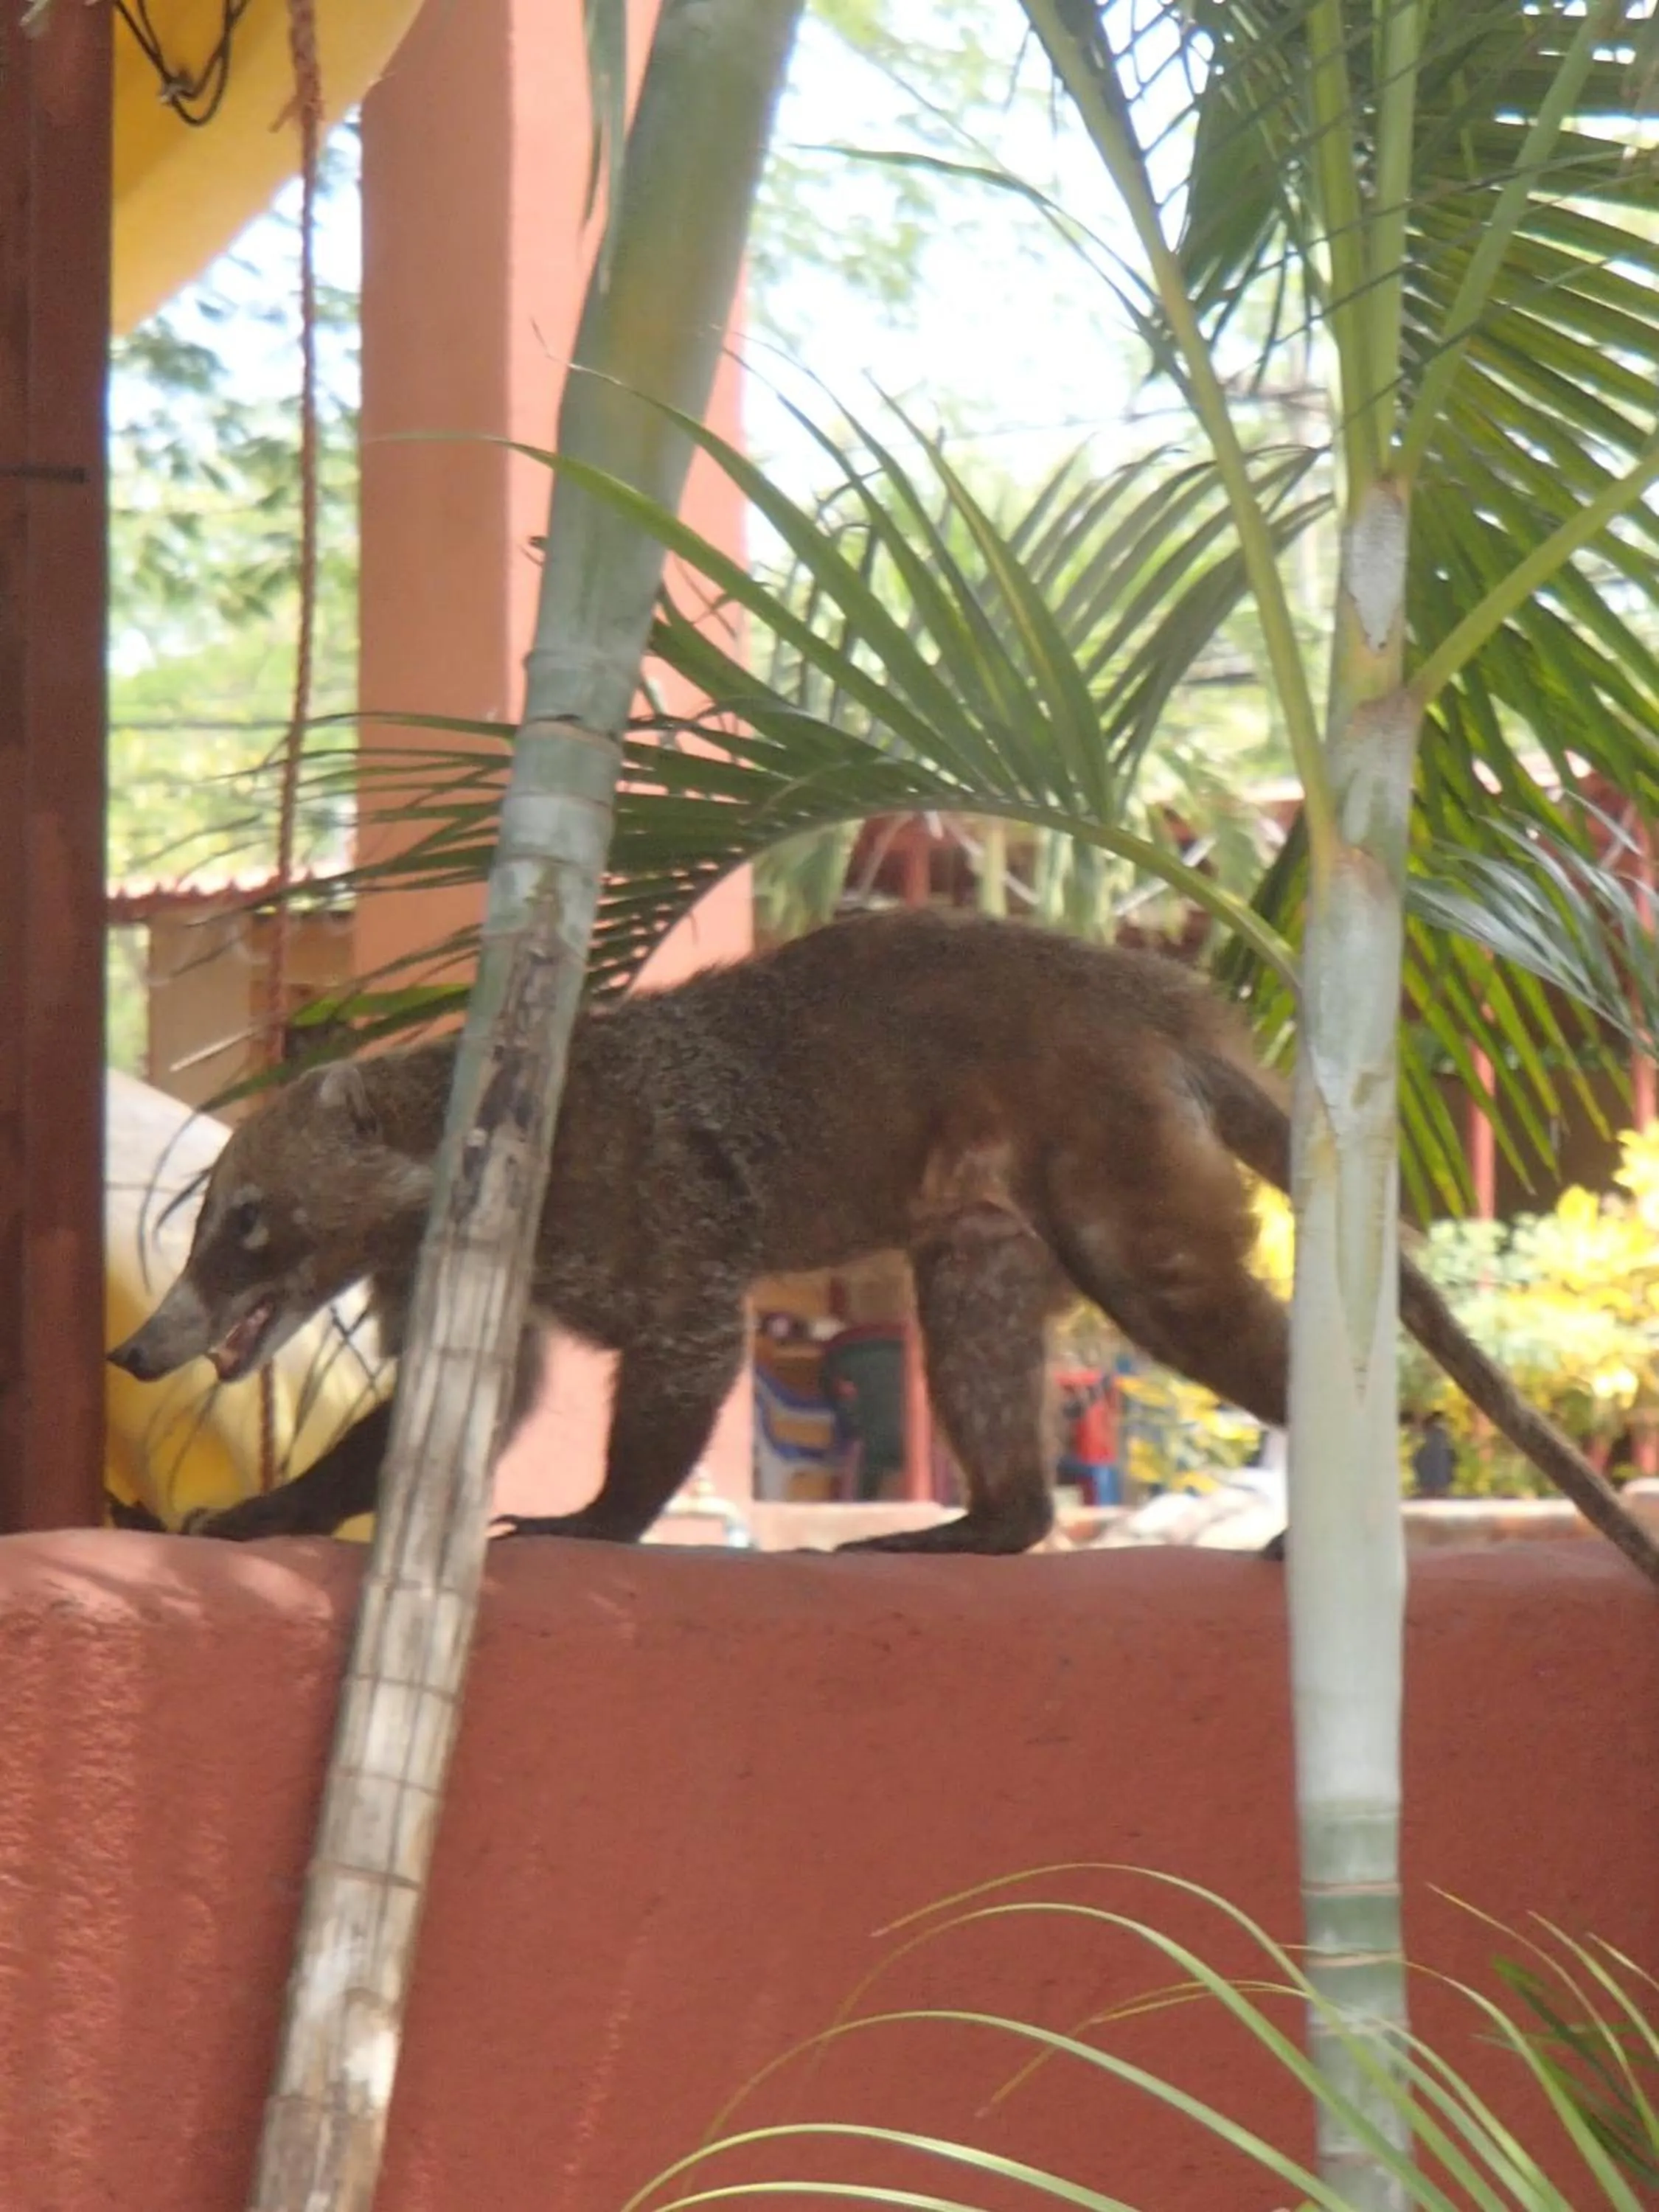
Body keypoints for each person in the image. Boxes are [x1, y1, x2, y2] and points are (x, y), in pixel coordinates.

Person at [1412, 1410, 1457, 1500]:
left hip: (1432, 1487)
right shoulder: (1443, 1446)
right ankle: (1436, 1489)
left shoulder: (1426, 1448)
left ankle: (1434, 1489)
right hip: (1438, 1487)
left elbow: (1417, 1463)